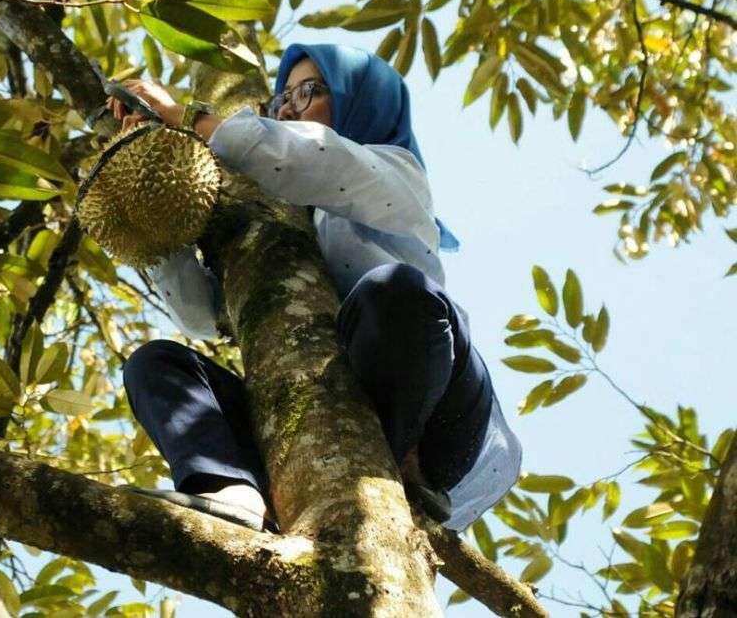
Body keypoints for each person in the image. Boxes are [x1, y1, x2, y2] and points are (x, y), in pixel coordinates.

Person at [104, 44, 522, 533]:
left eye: (310, 91)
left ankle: (410, 465)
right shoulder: (267, 228)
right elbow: (200, 315)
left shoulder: (395, 170)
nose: (287, 107)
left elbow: (316, 160)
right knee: (156, 364)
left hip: (439, 418)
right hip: (315, 407)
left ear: (364, 102)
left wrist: (189, 119)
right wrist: (155, 196)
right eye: (283, 98)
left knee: (391, 291)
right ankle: (233, 495)